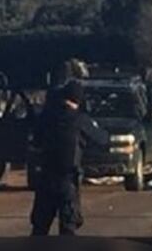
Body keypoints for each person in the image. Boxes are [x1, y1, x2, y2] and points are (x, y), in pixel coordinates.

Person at [30, 81, 109, 236]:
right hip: (67, 180)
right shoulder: (80, 120)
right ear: (78, 100)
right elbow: (102, 139)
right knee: (68, 227)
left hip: (45, 178)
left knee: (40, 228)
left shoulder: (46, 118)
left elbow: (35, 142)